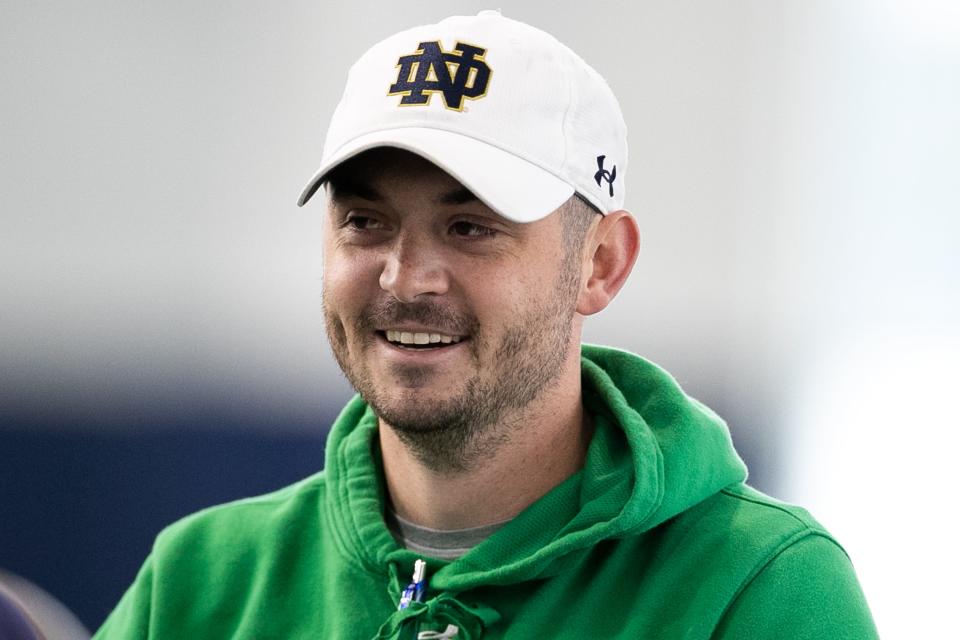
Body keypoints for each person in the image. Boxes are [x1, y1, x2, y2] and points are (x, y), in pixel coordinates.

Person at [94, 11, 878, 639]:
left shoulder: (757, 588)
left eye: (471, 227)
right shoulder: (202, 581)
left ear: (601, 264)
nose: (406, 278)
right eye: (365, 221)